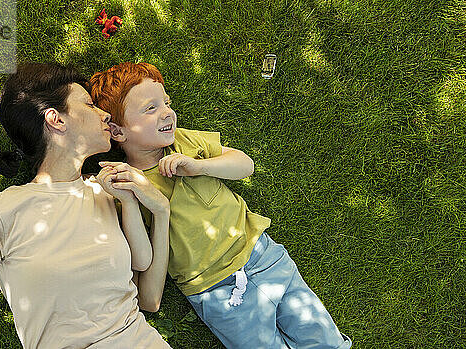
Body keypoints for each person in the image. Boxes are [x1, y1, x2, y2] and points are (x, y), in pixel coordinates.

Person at [89, 62, 352, 348]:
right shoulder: (130, 187)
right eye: (150, 109)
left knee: (325, 340)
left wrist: (200, 167)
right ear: (118, 132)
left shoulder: (185, 142)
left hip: (263, 256)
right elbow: (145, 265)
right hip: (218, 291)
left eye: (166, 102)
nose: (167, 112)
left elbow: (245, 164)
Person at [0, 62, 171, 349]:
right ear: (56, 119)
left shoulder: (105, 192)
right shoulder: (0, 213)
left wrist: (162, 211)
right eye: (90, 105)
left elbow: (149, 300)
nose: (105, 115)